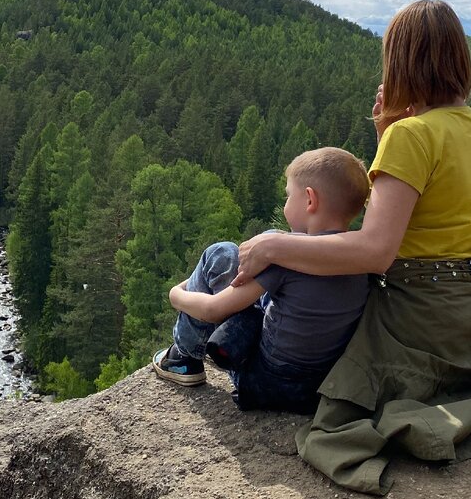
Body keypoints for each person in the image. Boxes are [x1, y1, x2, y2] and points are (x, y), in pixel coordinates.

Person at [233, 0, 471, 494]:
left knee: (301, 312)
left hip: (425, 322)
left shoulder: (412, 136)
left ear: (401, 62)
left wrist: (274, 245)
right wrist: (387, 136)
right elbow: (435, 211)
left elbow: (375, 249)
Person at [152, 147, 372, 414]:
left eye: (289, 195)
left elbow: (213, 310)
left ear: (309, 200)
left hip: (267, 384)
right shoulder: (362, 259)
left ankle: (183, 359)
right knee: (270, 236)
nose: (285, 203)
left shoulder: (291, 255)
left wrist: (176, 294)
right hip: (318, 386)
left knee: (220, 253)